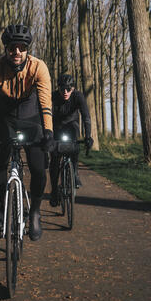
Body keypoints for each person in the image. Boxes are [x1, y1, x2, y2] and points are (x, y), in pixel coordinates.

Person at [0, 24, 54, 242]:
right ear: (6, 49)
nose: (17, 52)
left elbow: (45, 103)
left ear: (27, 49)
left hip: (32, 119)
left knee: (38, 168)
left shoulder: (39, 67)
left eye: (21, 48)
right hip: (5, 118)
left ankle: (35, 212)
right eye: (12, 48)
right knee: (0, 162)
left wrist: (48, 131)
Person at [49, 73, 93, 206]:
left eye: (68, 89)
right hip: (56, 126)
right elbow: (45, 115)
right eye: (62, 89)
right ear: (58, 88)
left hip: (72, 125)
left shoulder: (78, 96)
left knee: (74, 146)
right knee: (55, 158)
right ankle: (54, 190)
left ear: (73, 88)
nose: (65, 92)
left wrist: (88, 136)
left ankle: (74, 173)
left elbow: (86, 117)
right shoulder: (53, 96)